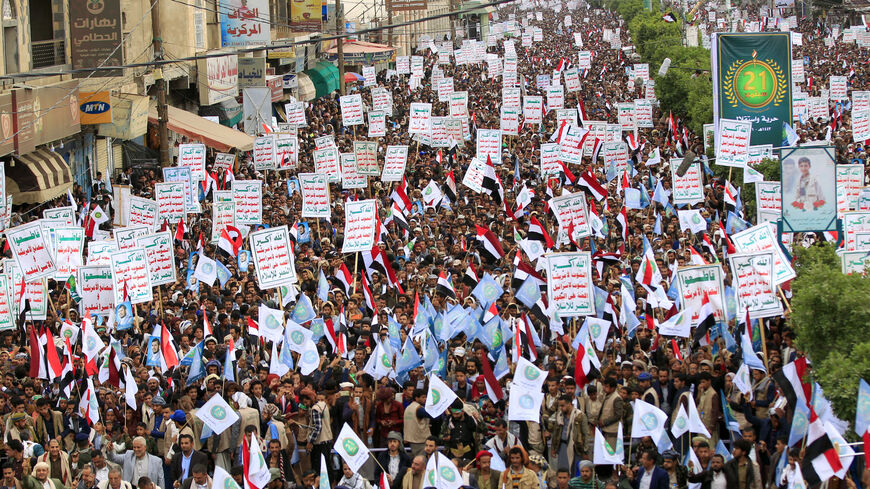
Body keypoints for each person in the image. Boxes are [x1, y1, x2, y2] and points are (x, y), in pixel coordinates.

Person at [550, 394, 589, 472]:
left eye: (562, 405)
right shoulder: (559, 415)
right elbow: (556, 433)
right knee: (563, 470)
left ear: (569, 404)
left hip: (576, 447)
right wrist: (553, 448)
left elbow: (585, 434)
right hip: (562, 446)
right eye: (560, 406)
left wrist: (585, 451)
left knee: (576, 471)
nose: (561, 408)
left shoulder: (580, 415)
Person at [402, 389, 431, 457]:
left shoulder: (408, 407)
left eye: (426, 397)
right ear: (416, 398)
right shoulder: (419, 409)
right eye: (423, 397)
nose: (425, 399)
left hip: (410, 439)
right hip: (420, 441)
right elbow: (434, 416)